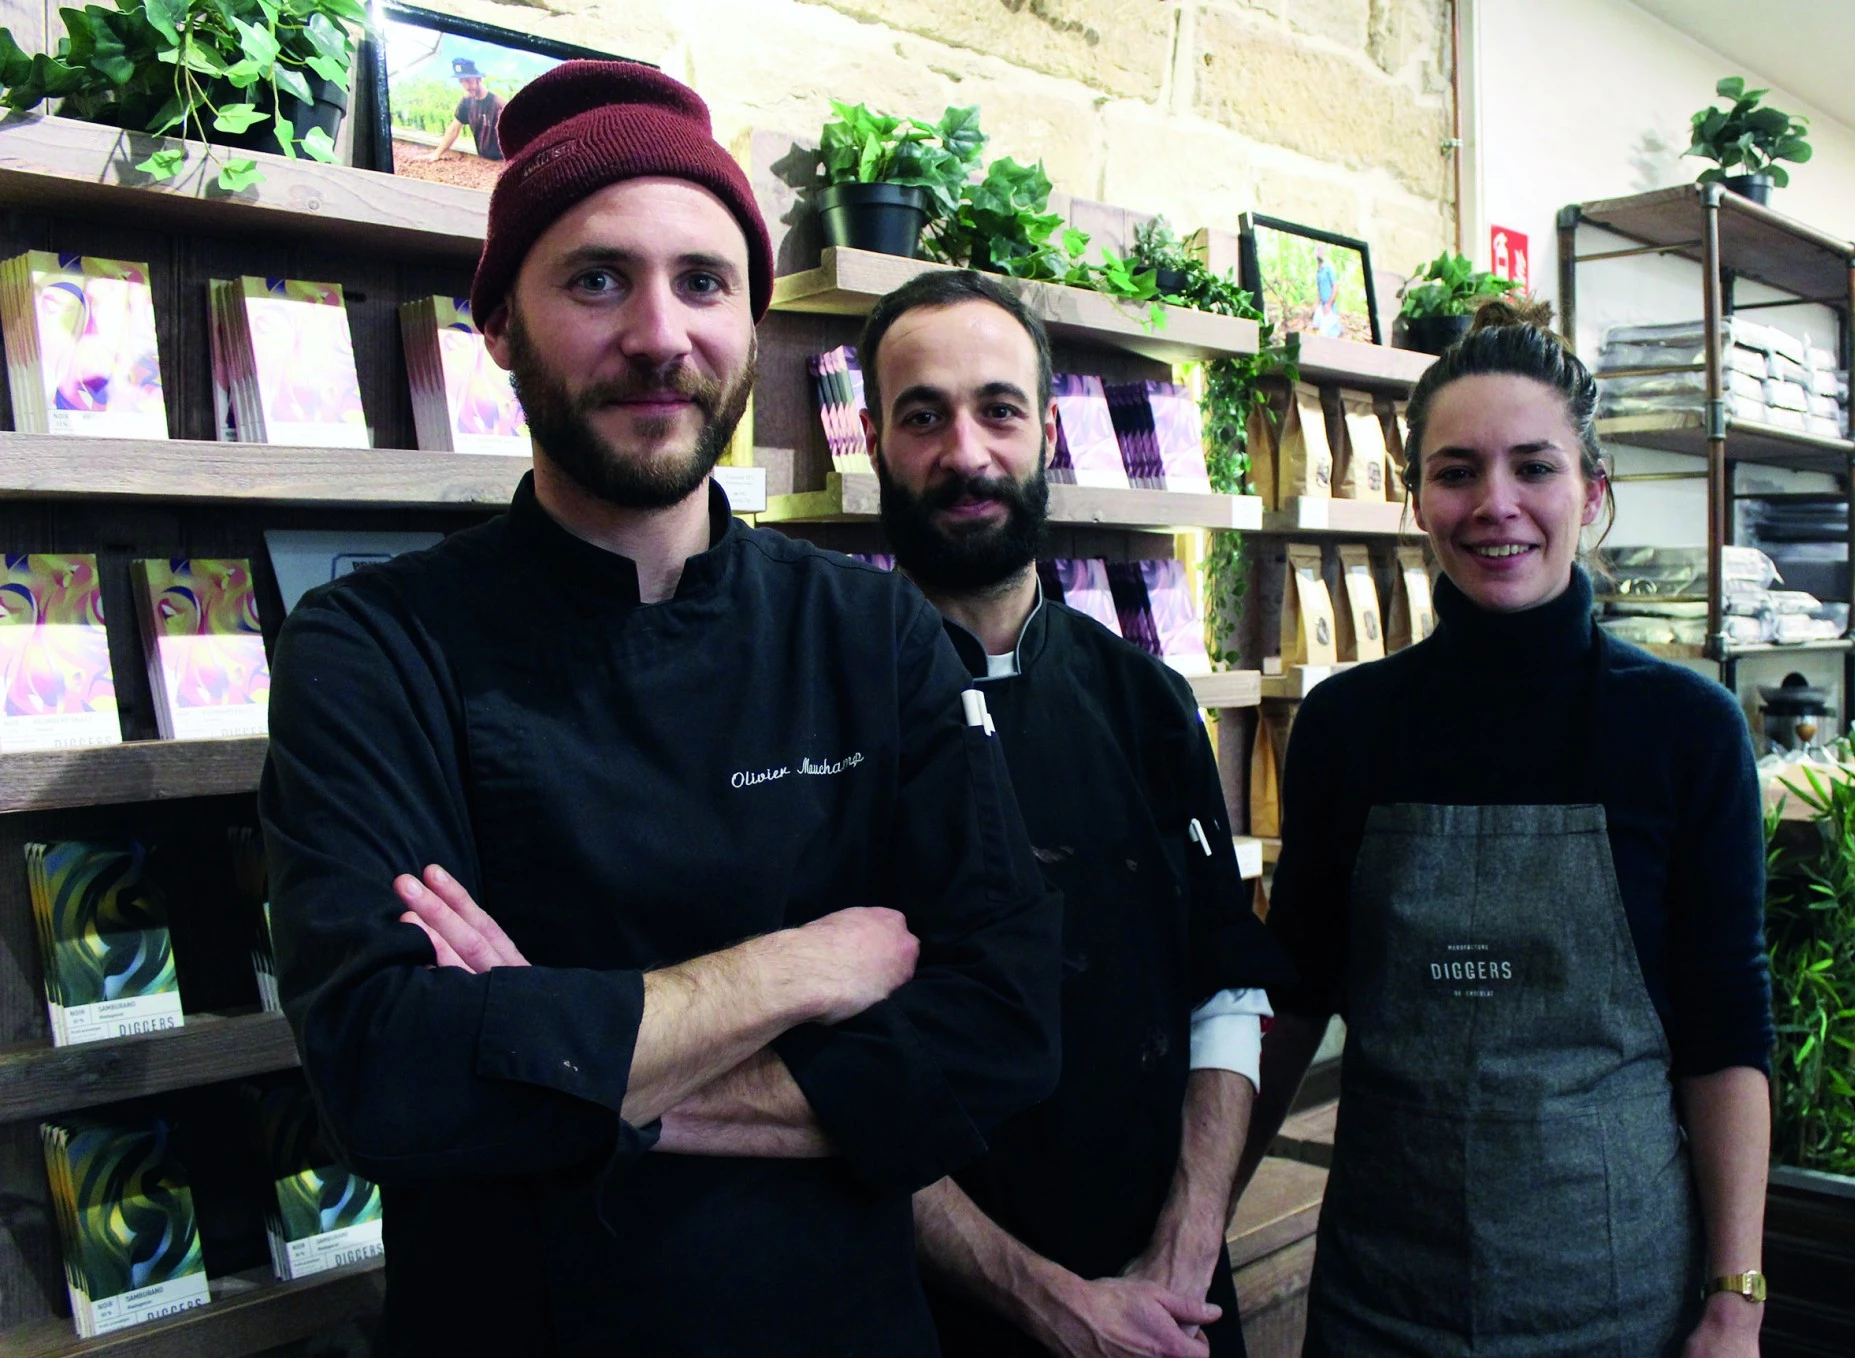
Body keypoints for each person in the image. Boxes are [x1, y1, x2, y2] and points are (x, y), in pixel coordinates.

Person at [261, 62, 1062, 1357]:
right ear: (501, 326)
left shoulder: (868, 633)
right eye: (594, 279)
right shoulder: (374, 648)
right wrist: (794, 968)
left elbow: (1003, 1024)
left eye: (703, 281)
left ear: (752, 325)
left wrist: (568, 1052)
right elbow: (390, 1069)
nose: (657, 331)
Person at [1239, 299, 1772, 1358]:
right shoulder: (1348, 723)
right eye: (1455, 471)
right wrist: (1192, 1216)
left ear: (1592, 493)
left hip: (1616, 1288)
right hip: (1381, 1288)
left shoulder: (1684, 729)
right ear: (1415, 498)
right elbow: (1291, 993)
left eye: (1533, 467)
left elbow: (1725, 1028)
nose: (1496, 505)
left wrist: (1735, 1295)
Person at [860, 269, 1294, 1358]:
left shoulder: (1145, 699)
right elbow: (828, 1074)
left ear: (1047, 431)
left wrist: (1186, 1249)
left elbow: (1223, 989)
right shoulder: (825, 715)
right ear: (871, 437)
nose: (966, 453)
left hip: (1166, 1303)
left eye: (998, 409)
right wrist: (1041, 1294)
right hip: (932, 1308)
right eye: (924, 416)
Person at [428, 55, 504, 162]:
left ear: (478, 78)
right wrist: (437, 154)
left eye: (468, 81)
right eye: (461, 81)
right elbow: (454, 129)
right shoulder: (466, 102)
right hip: (483, 160)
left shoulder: (498, 103)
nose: (466, 86)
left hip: (503, 161)